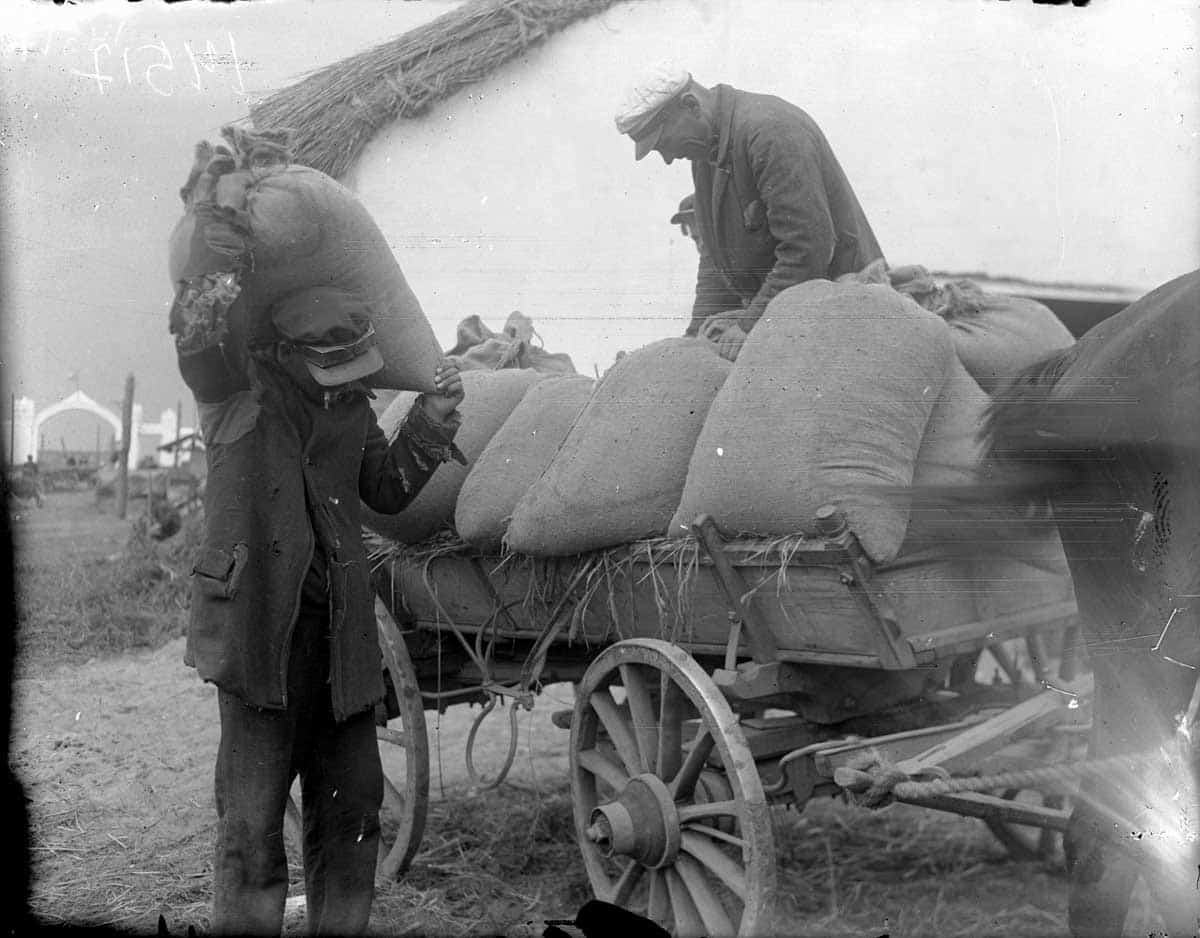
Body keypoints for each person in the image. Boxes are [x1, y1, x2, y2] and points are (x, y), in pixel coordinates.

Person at [171, 276, 465, 935]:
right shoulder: (232, 394)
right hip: (258, 639)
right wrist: (216, 249)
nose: (343, 381)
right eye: (331, 367)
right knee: (252, 823)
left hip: (341, 642)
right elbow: (196, 340)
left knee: (353, 811)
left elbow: (385, 490)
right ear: (283, 351)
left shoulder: (351, 407)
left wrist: (433, 415)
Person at [616, 66, 885, 360]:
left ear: (690, 105)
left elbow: (807, 249)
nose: (668, 159)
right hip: (783, 309)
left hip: (844, 297)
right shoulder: (705, 153)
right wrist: (693, 339)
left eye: (665, 144)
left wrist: (748, 324)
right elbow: (715, 262)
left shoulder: (771, 130)